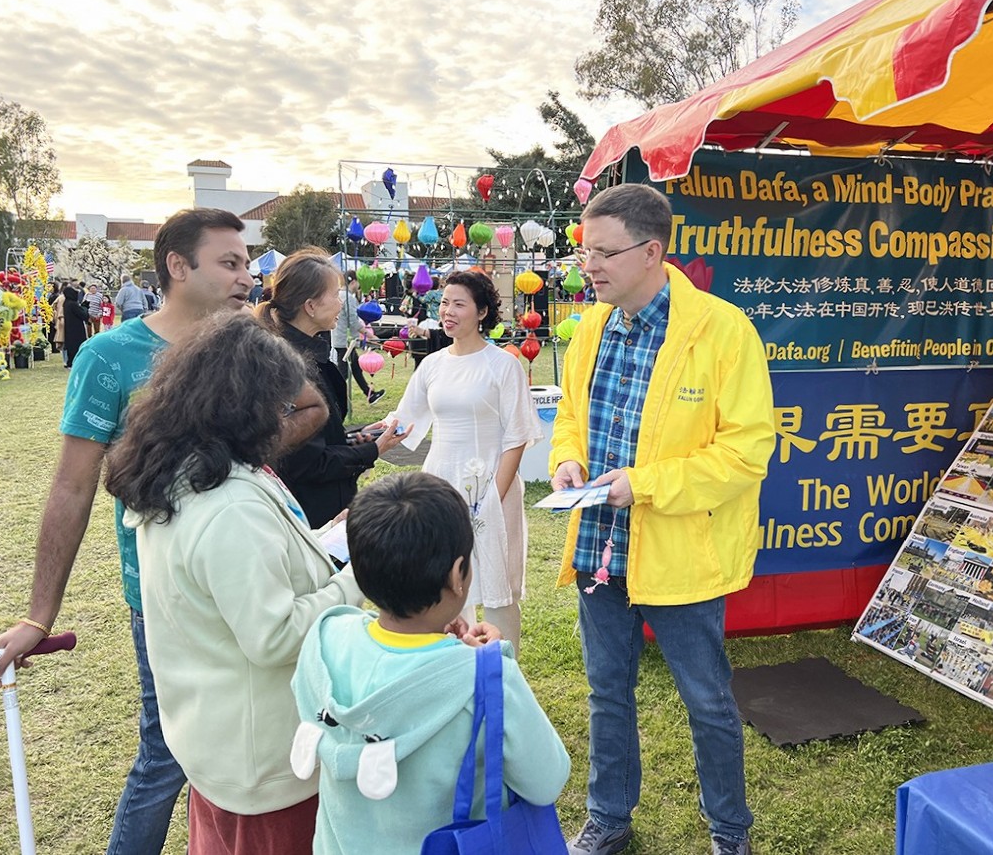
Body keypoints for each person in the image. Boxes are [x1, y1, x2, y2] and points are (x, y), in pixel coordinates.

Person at [0, 207, 264, 855]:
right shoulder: (109, 357)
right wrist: (38, 614)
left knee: (245, 747)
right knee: (167, 755)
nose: (245, 276)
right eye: (229, 262)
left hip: (250, 585)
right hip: (165, 597)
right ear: (177, 266)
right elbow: (71, 486)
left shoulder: (245, 346)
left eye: (246, 262)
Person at [550, 184, 775, 855]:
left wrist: (642, 486)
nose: (588, 265)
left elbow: (745, 451)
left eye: (602, 252)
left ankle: (730, 832)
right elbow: (570, 417)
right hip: (599, 547)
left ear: (651, 252)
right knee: (606, 693)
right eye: (584, 250)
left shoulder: (721, 329)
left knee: (707, 702)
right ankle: (608, 817)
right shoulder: (590, 328)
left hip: (681, 553)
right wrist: (567, 461)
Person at [102, 314, 362, 855]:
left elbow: (236, 579)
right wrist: (359, 576)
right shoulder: (228, 503)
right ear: (245, 406)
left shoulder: (187, 474)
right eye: (280, 406)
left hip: (219, 743)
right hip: (266, 761)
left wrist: (319, 542)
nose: (285, 419)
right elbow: (273, 635)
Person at [291, 472, 570, 855]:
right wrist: (496, 662)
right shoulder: (484, 679)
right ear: (458, 575)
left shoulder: (326, 639)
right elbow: (547, 779)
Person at [382, 271, 541, 652]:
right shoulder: (433, 364)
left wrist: (491, 498)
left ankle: (503, 668)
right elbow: (403, 420)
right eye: (443, 303)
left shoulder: (503, 365)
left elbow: (517, 437)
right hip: (441, 481)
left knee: (495, 580)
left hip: (491, 482)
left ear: (482, 312)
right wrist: (361, 443)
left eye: (458, 304)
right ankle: (456, 665)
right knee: (446, 578)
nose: (447, 311)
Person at [256, 248, 404, 529]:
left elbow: (319, 440)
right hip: (310, 516)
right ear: (310, 306)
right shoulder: (289, 365)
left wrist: (358, 439)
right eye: (335, 296)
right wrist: (371, 450)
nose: (340, 304)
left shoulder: (308, 354)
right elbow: (307, 462)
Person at [331, 274, 384, 405]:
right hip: (345, 341)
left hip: (343, 339)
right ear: (353, 281)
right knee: (343, 374)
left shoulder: (339, 295)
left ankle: (369, 394)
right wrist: (371, 335)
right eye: (359, 283)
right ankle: (333, 401)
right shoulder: (348, 298)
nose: (360, 286)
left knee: (356, 368)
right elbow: (354, 322)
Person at [61, 285, 88, 368]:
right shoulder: (73, 304)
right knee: (78, 345)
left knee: (71, 345)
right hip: (77, 328)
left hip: (69, 327)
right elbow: (83, 315)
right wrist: (85, 308)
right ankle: (77, 361)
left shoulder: (66, 303)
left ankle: (70, 362)